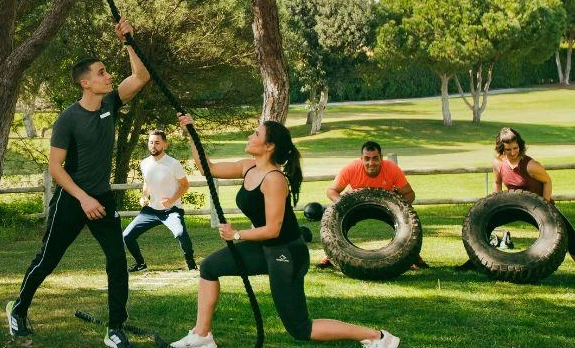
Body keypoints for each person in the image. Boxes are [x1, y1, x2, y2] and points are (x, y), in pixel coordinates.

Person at [168, 114, 399, 348]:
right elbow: (209, 168)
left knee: (299, 327)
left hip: (286, 253)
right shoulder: (249, 167)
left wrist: (236, 234)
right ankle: (202, 336)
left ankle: (377, 337)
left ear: (269, 146)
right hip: (265, 248)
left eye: (256, 134)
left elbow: (272, 229)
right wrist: (190, 132)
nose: (250, 136)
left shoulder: (274, 180)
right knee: (209, 267)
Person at [7, 20, 150, 348]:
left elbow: (141, 77)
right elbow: (55, 168)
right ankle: (18, 309)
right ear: (86, 83)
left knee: (117, 259)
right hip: (72, 201)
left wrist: (128, 41)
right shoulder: (68, 119)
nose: (108, 76)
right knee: (48, 259)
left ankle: (115, 328)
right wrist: (83, 199)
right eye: (102, 73)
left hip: (102, 200)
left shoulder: (111, 104)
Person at [458, 128, 575, 283]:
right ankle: (475, 261)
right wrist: (494, 206)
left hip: (538, 207)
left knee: (569, 235)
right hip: (513, 205)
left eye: (515, 148)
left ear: (520, 146)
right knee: (482, 225)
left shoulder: (531, 165)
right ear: (501, 148)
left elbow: (547, 181)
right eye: (508, 149)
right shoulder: (498, 163)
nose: (512, 152)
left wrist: (545, 204)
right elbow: (497, 182)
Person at [315, 141, 428, 270]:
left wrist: (400, 209)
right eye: (367, 159)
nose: (371, 163)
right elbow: (331, 191)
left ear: (381, 158)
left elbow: (409, 194)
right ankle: (332, 255)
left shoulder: (391, 169)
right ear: (361, 159)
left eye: (375, 158)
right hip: (356, 206)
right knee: (337, 223)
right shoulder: (352, 169)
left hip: (387, 207)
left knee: (406, 223)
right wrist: (344, 203)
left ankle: (412, 255)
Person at [122, 130, 197, 272]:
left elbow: (185, 185)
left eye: (157, 143)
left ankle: (191, 264)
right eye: (151, 142)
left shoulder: (173, 164)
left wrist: (171, 201)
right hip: (151, 211)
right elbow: (147, 182)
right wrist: (144, 196)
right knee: (127, 235)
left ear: (165, 145)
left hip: (171, 210)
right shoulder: (144, 163)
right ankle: (141, 264)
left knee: (180, 234)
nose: (153, 146)